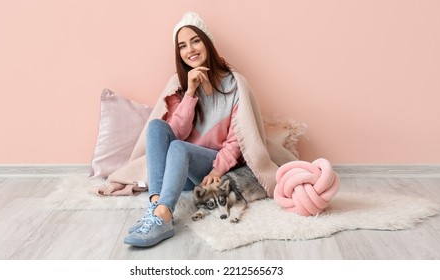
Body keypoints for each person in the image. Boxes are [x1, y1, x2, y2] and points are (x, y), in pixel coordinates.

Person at [101, 12, 297, 247]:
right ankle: (156, 207)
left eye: (195, 41)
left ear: (207, 42)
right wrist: (191, 93)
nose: (190, 50)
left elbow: (238, 139)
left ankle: (163, 216)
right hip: (180, 168)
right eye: (182, 46)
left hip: (212, 168)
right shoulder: (179, 84)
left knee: (179, 148)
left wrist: (217, 168)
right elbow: (176, 132)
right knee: (156, 127)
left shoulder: (234, 84)